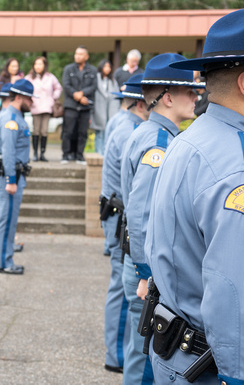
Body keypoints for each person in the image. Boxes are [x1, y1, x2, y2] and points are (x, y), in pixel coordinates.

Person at [145, 8, 244, 384]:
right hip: (212, 366)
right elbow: (234, 293)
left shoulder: (192, 138)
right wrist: (240, 377)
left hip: (180, 350)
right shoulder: (239, 166)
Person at [120, 53, 202, 385]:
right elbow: (141, 214)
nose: (196, 97)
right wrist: (144, 272)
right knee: (144, 363)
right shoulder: (158, 143)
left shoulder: (152, 133)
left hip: (144, 264)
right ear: (168, 97)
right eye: (190, 92)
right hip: (147, 269)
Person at [99, 73, 149, 374]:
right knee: (121, 286)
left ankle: (118, 350)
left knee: (119, 285)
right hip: (119, 216)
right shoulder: (128, 128)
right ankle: (116, 354)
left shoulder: (124, 122)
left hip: (115, 212)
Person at [0, 79, 34, 275]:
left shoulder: (14, 116)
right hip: (11, 176)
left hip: (14, 175)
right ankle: (4, 262)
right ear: (19, 97)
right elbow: (8, 152)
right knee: (6, 221)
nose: (32, 102)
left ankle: (4, 259)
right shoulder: (11, 120)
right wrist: (11, 179)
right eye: (29, 97)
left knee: (8, 220)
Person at [61, 46, 97, 165]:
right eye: (76, 54)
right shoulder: (68, 69)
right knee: (68, 131)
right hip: (71, 105)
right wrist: (76, 95)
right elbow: (66, 85)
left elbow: (93, 86)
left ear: (86, 57)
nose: (77, 56)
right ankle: (66, 155)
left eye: (80, 54)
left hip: (85, 106)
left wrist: (82, 94)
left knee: (82, 132)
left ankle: (79, 155)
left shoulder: (92, 70)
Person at [26, 56, 62, 162]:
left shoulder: (50, 77)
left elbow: (58, 88)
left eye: (40, 64)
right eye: (36, 64)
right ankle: (35, 154)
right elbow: (24, 88)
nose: (38, 66)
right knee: (36, 131)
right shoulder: (29, 77)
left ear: (44, 65)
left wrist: (54, 97)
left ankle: (42, 153)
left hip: (47, 107)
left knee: (44, 131)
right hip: (35, 107)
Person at [91, 59, 120, 155]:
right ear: (101, 67)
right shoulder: (96, 78)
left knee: (109, 133)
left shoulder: (112, 80)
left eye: (109, 67)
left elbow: (116, 96)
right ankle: (98, 153)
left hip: (110, 111)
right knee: (99, 133)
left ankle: (106, 154)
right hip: (99, 110)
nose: (107, 69)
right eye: (105, 66)